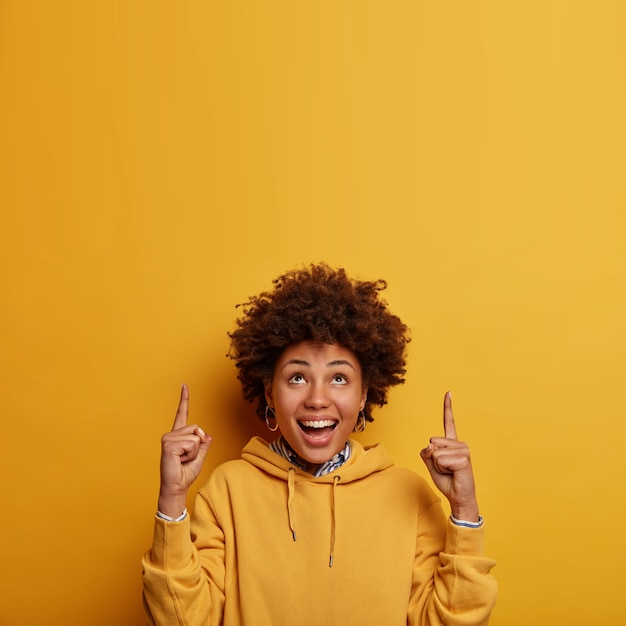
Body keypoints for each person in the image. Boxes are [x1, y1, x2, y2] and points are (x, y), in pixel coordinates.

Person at [142, 263, 497, 625]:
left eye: (339, 378)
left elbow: (452, 621)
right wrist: (171, 498)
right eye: (297, 377)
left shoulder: (411, 496)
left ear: (363, 396)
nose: (317, 399)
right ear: (269, 392)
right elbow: (180, 620)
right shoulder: (227, 491)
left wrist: (464, 508)